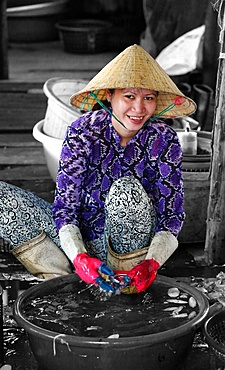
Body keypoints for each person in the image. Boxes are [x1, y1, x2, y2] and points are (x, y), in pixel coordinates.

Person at [0, 45, 196, 293]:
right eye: (129, 96)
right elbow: (65, 207)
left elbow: (172, 214)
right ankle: (65, 284)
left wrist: (152, 263)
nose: (139, 108)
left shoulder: (164, 139)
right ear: (110, 96)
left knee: (125, 191)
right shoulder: (82, 132)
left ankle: (123, 285)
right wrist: (79, 255)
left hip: (131, 250)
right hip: (79, 242)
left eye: (148, 98)